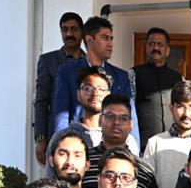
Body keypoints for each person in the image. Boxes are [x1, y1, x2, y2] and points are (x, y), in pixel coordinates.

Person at [52, 15, 139, 145]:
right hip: (78, 144)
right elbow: (61, 115)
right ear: (89, 39)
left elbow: (130, 116)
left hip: (113, 146)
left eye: (111, 38)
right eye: (105, 38)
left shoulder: (121, 76)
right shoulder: (67, 72)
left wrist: (134, 148)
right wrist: (61, 145)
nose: (110, 43)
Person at [81, 94, 162, 188]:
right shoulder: (83, 161)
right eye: (110, 116)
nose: (116, 122)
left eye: (123, 118)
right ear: (100, 120)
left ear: (131, 125)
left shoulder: (145, 170)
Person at [143, 80, 191, 188]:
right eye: (181, 106)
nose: (187, 114)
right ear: (171, 108)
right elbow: (146, 185)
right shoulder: (155, 143)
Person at [33, 12, 85, 166]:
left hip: (84, 133)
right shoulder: (47, 61)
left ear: (82, 32)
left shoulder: (89, 63)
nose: (69, 34)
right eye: (65, 29)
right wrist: (41, 138)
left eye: (74, 29)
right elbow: (41, 101)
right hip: (56, 133)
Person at [129, 27, 183, 150]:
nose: (156, 48)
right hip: (143, 145)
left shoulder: (177, 78)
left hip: (172, 144)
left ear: (167, 50)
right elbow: (129, 107)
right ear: (146, 48)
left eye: (160, 44)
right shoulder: (134, 74)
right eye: (152, 44)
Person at [68, 65, 139, 154]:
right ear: (78, 94)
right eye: (88, 89)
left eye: (101, 89)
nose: (95, 94)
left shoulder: (126, 139)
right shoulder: (64, 136)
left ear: (108, 94)